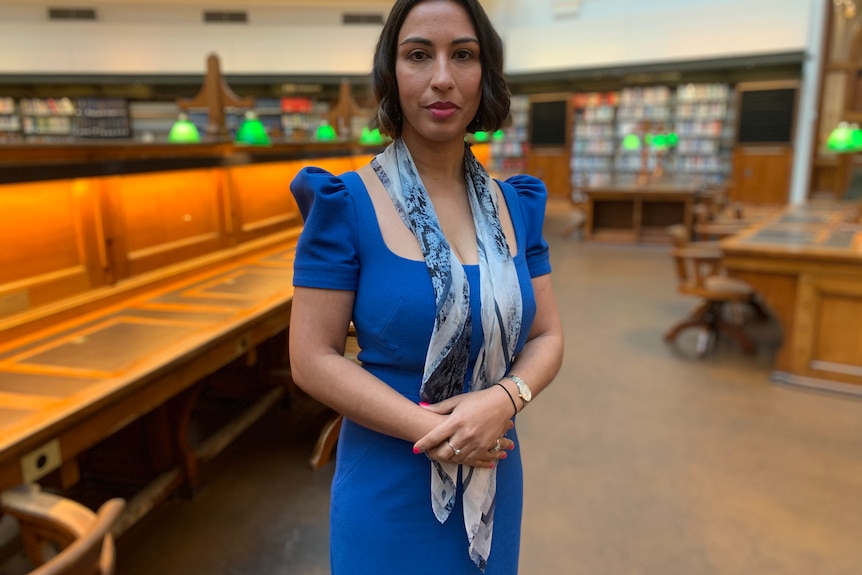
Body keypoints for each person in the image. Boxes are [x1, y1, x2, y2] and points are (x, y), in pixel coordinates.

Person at [288, 0, 564, 572]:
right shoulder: (346, 204)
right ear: (392, 73)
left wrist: (506, 398)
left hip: (494, 470)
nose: (442, 77)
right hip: (390, 482)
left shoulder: (517, 205)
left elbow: (547, 336)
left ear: (484, 73)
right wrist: (440, 430)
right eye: (419, 55)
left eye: (463, 55)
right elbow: (311, 357)